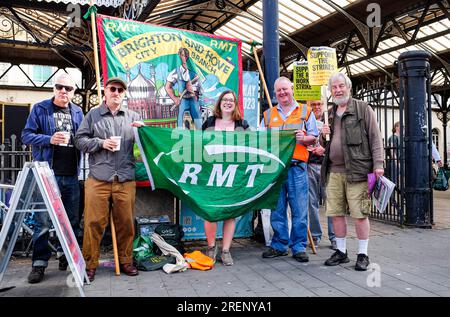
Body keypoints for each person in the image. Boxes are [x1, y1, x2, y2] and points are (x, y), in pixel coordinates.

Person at [74, 77, 144, 282]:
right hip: (99, 178)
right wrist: (101, 143)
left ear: (124, 94)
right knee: (93, 223)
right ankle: (90, 264)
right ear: (105, 92)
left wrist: (143, 131)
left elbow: (141, 149)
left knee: (126, 223)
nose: (116, 92)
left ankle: (126, 261)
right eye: (112, 89)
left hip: (124, 179)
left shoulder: (133, 117)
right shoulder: (93, 115)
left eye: (121, 90)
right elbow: (79, 140)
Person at [21, 74, 84, 284]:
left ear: (74, 91)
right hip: (47, 173)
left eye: (69, 88)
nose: (64, 91)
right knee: (43, 221)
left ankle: (66, 257)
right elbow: (26, 135)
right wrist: (49, 139)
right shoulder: (40, 109)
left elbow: (82, 138)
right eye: (60, 87)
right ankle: (39, 263)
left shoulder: (77, 111)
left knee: (71, 221)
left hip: (72, 174)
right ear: (53, 88)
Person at [320, 72, 384, 271]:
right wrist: (323, 137)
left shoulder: (362, 108)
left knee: (359, 214)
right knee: (336, 214)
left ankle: (363, 254)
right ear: (331, 91)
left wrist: (378, 164)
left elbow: (375, 137)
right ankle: (341, 252)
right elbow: (327, 145)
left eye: (341, 86)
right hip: (334, 171)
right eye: (334, 88)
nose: (338, 90)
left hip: (357, 170)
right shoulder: (329, 113)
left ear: (348, 87)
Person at [261, 77, 319, 263]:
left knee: (299, 209)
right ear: (275, 93)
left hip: (297, 168)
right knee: (277, 210)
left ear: (292, 89)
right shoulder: (268, 115)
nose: (282, 93)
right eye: (279, 91)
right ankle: (279, 244)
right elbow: (260, 140)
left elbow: (315, 138)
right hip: (276, 169)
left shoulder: (305, 111)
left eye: (285, 89)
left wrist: (305, 138)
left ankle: (299, 246)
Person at [202, 90, 250, 266]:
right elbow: (199, 146)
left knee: (230, 213)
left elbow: (251, 147)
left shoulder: (242, 124)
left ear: (235, 104)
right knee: (211, 212)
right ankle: (211, 247)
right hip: (211, 174)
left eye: (231, 100)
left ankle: (226, 250)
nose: (228, 102)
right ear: (219, 102)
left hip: (233, 174)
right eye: (225, 99)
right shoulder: (209, 122)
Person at [307, 100, 336, 250]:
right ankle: (315, 236)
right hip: (310, 164)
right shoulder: (305, 120)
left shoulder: (330, 120)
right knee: (311, 202)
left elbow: (337, 142)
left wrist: (324, 150)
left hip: (327, 165)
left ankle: (334, 237)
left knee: (330, 201)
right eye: (313, 104)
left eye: (319, 104)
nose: (317, 107)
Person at [165, 47, 202, 130]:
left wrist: (193, 93)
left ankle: (200, 139)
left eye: (186, 56)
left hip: (193, 100)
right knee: (180, 124)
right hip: (183, 100)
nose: (184, 57)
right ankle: (180, 139)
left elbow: (199, 90)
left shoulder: (194, 74)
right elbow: (167, 87)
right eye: (182, 55)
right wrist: (175, 98)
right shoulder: (176, 72)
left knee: (199, 122)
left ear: (188, 57)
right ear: (179, 56)